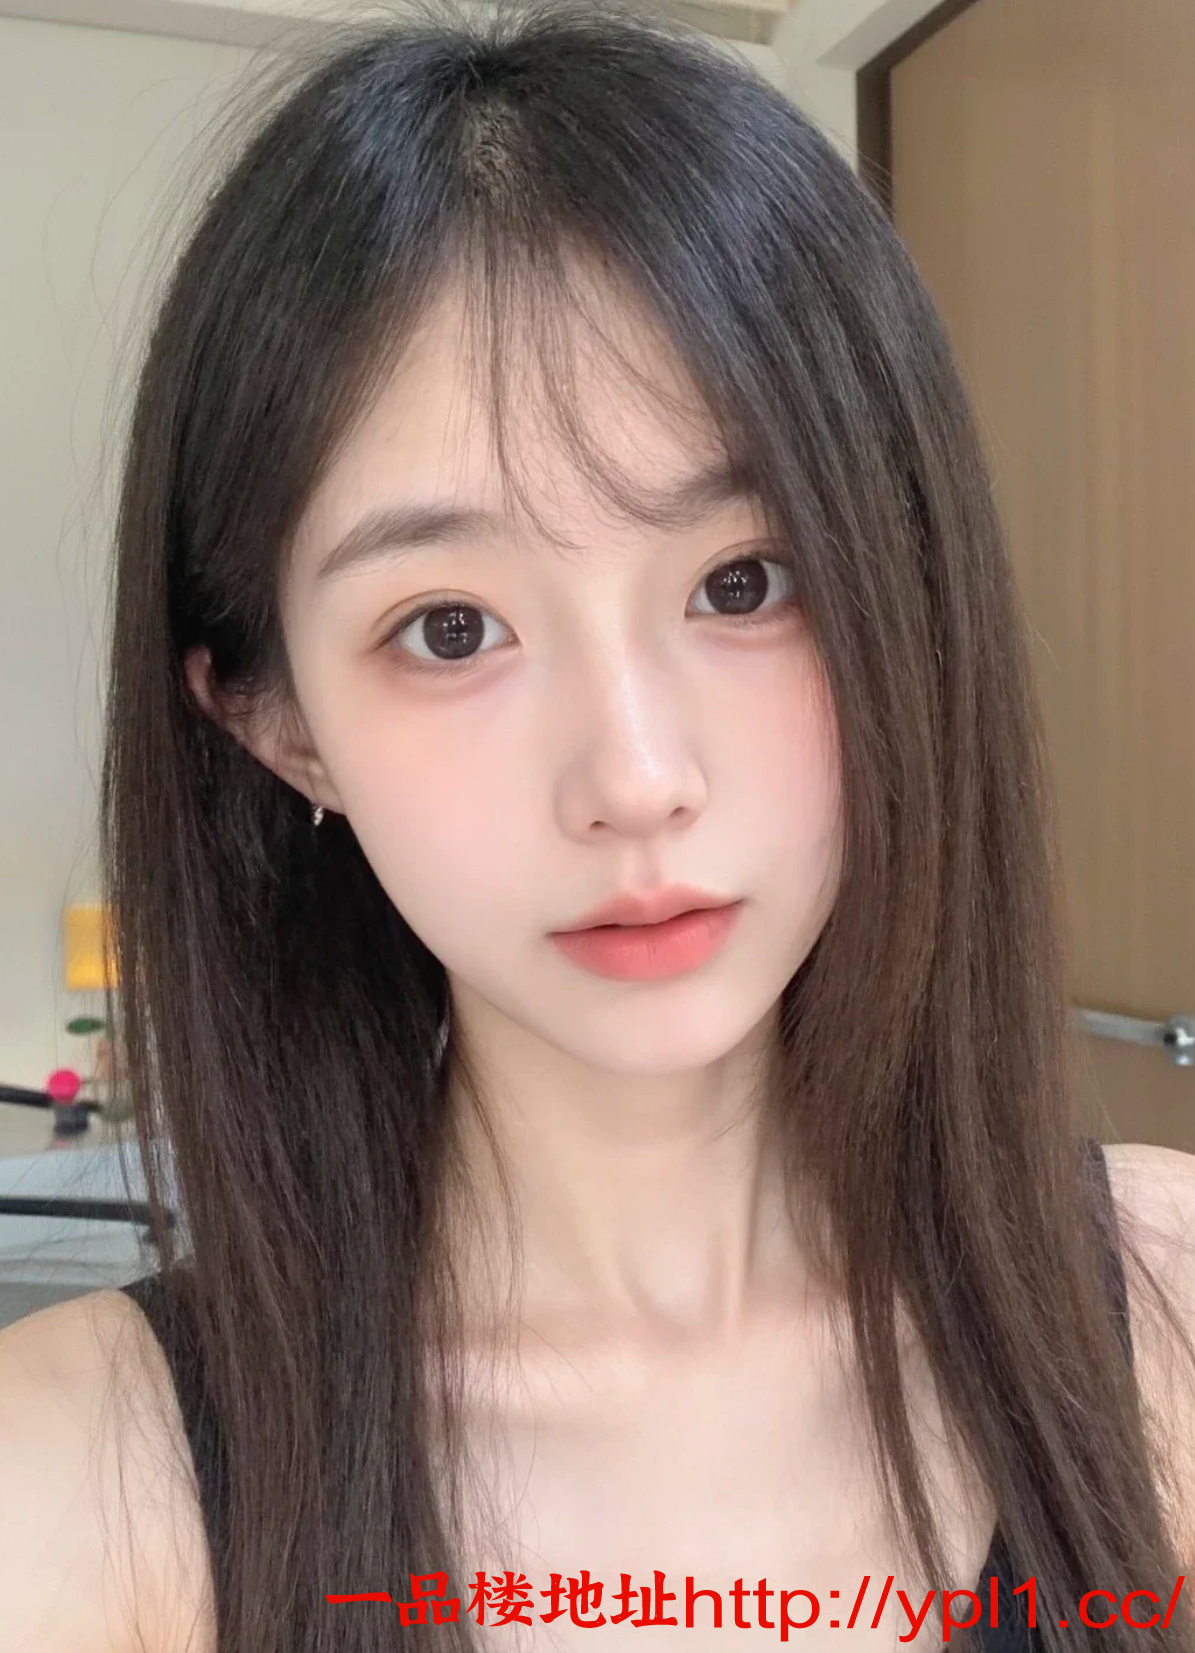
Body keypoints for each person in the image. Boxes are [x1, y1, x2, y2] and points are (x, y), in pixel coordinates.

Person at [1, 2, 1193, 1649]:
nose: (633, 777)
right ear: (280, 724)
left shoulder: (1163, 1302)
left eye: (743, 583)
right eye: (448, 629)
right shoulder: (69, 1482)